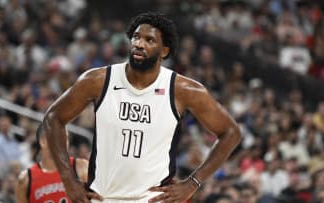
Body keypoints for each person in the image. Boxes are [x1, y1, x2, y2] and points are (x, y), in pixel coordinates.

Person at [43, 12, 241, 203]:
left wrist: (192, 183)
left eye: (149, 40)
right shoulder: (98, 80)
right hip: (102, 196)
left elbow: (231, 132)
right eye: (136, 37)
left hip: (151, 199)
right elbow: (53, 117)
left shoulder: (183, 89)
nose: (139, 44)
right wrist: (68, 179)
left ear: (164, 51)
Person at [15, 123, 88, 203]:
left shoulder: (81, 167)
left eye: (66, 138)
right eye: (59, 138)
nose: (65, 143)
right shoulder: (26, 179)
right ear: (43, 142)